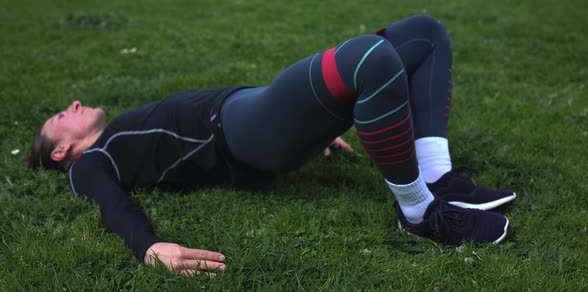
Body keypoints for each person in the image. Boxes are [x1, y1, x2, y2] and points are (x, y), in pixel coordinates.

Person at [28, 15, 516, 276]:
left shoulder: (113, 138)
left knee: (424, 34)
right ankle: (418, 212)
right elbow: (111, 205)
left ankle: (435, 174)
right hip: (243, 135)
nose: (70, 105)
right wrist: (150, 247)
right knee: (371, 57)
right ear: (60, 152)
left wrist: (310, 124)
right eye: (59, 118)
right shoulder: (90, 163)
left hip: (258, 111)